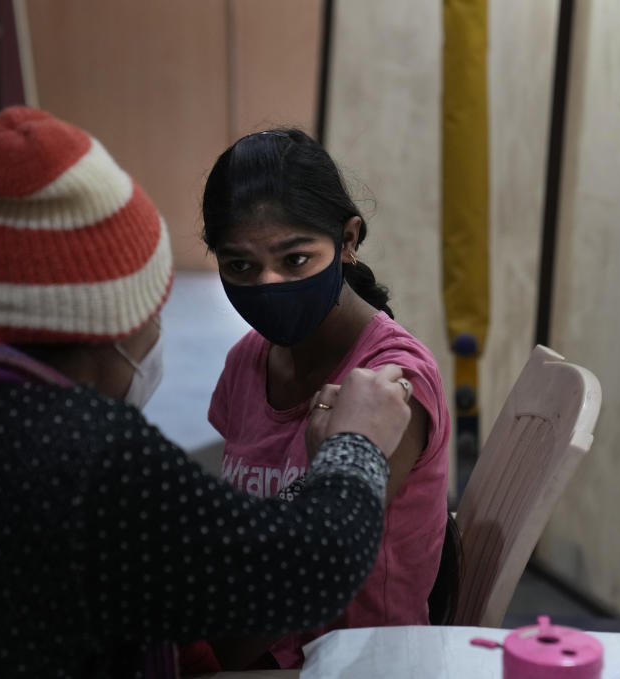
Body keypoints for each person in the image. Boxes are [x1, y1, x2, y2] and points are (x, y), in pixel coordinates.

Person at [0, 107, 417, 679]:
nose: (156, 333)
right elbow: (305, 569)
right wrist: (355, 443)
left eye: (295, 260)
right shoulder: (92, 461)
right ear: (108, 325)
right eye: (150, 311)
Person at [197, 128, 459, 669]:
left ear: (348, 240)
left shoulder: (390, 386)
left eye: (295, 260)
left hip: (356, 661)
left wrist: (201, 634)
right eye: (240, 266)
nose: (268, 285)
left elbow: (273, 605)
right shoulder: (248, 360)